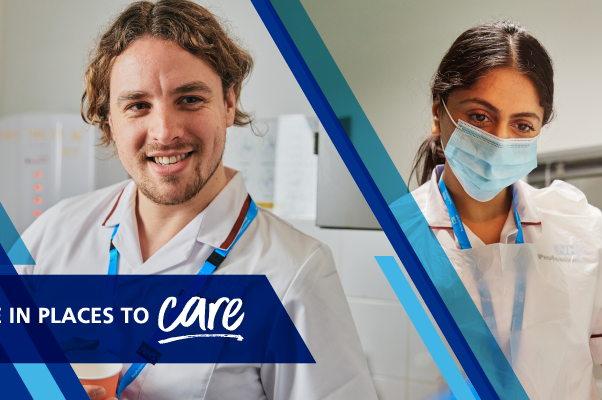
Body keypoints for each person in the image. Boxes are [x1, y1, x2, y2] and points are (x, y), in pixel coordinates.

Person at [19, 1, 376, 399]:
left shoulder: (294, 272)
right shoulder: (53, 232)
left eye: (189, 99)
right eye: (138, 105)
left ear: (228, 103)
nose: (165, 131)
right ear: (109, 120)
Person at [395, 21, 602, 400]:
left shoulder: (580, 227)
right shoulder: (396, 234)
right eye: (479, 117)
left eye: (523, 124)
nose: (499, 139)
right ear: (437, 112)